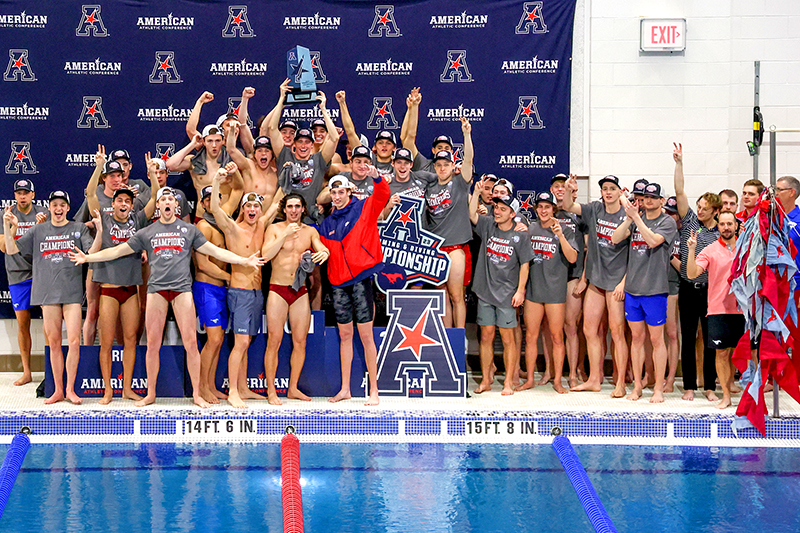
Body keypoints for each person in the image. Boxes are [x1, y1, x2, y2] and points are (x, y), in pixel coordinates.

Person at [69, 181, 266, 408]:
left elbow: (215, 251)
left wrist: (244, 260)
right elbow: (117, 250)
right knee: (153, 344)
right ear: (159, 206)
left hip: (182, 290)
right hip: (156, 291)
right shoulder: (147, 232)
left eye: (170, 199)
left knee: (191, 343)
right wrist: (88, 258)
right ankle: (151, 393)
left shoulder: (189, 230)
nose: (166, 202)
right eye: (162, 200)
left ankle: (196, 394)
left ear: (177, 206)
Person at [4, 191, 96, 404]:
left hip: (71, 294)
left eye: (62, 204)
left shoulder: (78, 228)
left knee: (74, 341)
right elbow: (11, 251)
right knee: (54, 343)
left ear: (67, 208)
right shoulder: (38, 230)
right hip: (47, 294)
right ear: (49, 207)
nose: (58, 208)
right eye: (54, 204)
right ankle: (58, 390)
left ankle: (71, 389)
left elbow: (92, 252)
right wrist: (10, 228)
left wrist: (99, 231)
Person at [88, 149, 158, 404]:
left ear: (131, 204)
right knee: (106, 342)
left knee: (130, 340)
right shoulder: (103, 218)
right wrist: (98, 169)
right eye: (120, 200)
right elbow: (89, 196)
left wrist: (152, 175)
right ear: (114, 202)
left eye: (128, 201)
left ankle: (126, 388)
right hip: (108, 289)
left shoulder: (138, 220)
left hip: (131, 289)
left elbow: (154, 200)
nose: (124, 204)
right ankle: (108, 390)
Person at [209, 170, 280, 408]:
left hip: (257, 293)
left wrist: (287, 177)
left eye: (256, 207)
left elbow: (276, 204)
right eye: (248, 206)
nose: (252, 210)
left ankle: (243, 387)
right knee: (240, 343)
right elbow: (217, 210)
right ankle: (233, 392)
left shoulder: (261, 226)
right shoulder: (232, 229)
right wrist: (217, 182)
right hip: (239, 293)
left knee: (246, 341)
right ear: (242, 209)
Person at [321, 173, 390, 406]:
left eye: (341, 192)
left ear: (349, 192)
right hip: (338, 284)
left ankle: (374, 390)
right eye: (334, 193)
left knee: (366, 335)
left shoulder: (363, 207)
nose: (338, 197)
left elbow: (384, 195)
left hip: (361, 281)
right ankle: (345, 389)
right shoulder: (327, 223)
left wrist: (377, 178)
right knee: (345, 336)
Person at [563, 174, 629, 397]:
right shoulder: (594, 210)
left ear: (620, 191)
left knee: (617, 332)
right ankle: (594, 379)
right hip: (596, 280)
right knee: (589, 329)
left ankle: (620, 381)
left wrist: (623, 282)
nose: (608, 192)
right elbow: (569, 206)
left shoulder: (626, 215)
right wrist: (570, 189)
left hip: (616, 282)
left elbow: (634, 253)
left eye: (612, 188)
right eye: (604, 189)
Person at [612, 183, 678, 402]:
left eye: (653, 197)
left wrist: (636, 219)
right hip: (633, 289)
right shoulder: (636, 218)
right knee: (637, 339)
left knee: (657, 339)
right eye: (645, 197)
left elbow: (652, 241)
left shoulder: (667, 222)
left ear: (661, 201)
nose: (648, 201)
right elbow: (615, 238)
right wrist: (630, 218)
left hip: (655, 290)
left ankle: (658, 387)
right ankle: (638, 385)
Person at [262, 193, 330, 405]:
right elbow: (265, 255)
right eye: (289, 206)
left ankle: (292, 388)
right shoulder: (274, 229)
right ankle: (272, 391)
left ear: (303, 209)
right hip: (277, 290)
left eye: (297, 206)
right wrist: (284, 236)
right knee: (274, 341)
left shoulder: (309, 231)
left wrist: (324, 253)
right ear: (284, 209)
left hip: (299, 291)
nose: (293, 210)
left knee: (300, 342)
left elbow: (321, 247)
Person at [467, 179, 531, 395]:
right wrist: (476, 193)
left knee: (507, 338)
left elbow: (525, 264)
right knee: (485, 336)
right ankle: (486, 380)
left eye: (503, 209)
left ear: (512, 214)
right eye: (496, 207)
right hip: (485, 291)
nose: (497, 212)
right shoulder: (487, 225)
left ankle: (508, 383)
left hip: (506, 294)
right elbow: (473, 216)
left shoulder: (520, 235)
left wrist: (520, 290)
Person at [672, 143, 720, 401]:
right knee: (688, 337)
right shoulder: (690, 221)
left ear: (715, 211)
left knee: (711, 340)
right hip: (689, 289)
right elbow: (679, 191)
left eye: (704, 208)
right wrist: (679, 164)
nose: (699, 210)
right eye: (698, 206)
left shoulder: (721, 232)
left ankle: (710, 387)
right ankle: (689, 385)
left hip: (711, 291)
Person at [519, 191, 578, 394]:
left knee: (556, 337)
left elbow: (572, 258)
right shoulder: (530, 229)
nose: (544, 210)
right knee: (532, 337)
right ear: (536, 209)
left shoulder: (566, 230)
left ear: (554, 209)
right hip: (534, 291)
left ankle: (558, 380)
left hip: (555, 292)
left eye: (548, 207)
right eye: (540, 207)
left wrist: (560, 235)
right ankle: (529, 379)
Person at [193, 168, 243, 404]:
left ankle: (210, 385)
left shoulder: (223, 221)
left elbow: (240, 189)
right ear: (203, 204)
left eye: (214, 198)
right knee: (213, 340)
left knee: (219, 340)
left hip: (220, 290)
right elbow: (202, 265)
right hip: (207, 289)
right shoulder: (203, 227)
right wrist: (227, 276)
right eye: (206, 199)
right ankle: (201, 387)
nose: (211, 203)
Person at [687, 210, 743, 409]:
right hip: (719, 310)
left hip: (743, 310)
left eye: (730, 224)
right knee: (721, 354)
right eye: (722, 224)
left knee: (746, 354)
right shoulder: (710, 249)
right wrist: (692, 250)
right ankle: (726, 395)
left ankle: (751, 396)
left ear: (736, 225)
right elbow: (693, 273)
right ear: (718, 226)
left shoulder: (746, 247)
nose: (726, 227)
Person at [423, 118, 474, 329]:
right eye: (439, 164)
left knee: (456, 295)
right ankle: (446, 336)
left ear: (453, 166)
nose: (443, 168)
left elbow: (469, 161)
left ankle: (459, 338)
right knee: (441, 296)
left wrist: (467, 135)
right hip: (435, 248)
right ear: (434, 166)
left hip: (455, 248)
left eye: (446, 164)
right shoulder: (428, 186)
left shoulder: (460, 183)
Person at [0, 179, 47, 386]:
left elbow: (49, 243)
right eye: (19, 192)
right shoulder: (7, 215)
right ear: (15, 195)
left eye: (26, 192)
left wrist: (41, 226)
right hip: (18, 274)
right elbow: (4, 247)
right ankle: (27, 372)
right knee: (23, 324)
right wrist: (10, 226)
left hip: (40, 272)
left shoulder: (42, 213)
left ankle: (51, 372)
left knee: (49, 323)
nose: (22, 196)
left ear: (33, 195)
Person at [550, 174, 590, 390]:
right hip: (550, 276)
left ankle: (574, 372)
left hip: (573, 275)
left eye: (563, 186)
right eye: (556, 186)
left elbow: (589, 249)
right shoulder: (546, 211)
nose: (559, 189)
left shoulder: (578, 215)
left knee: (571, 326)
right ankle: (550, 370)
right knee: (551, 328)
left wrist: (584, 278)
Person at [167, 121, 234, 217]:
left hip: (224, 216)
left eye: (218, 141)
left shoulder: (230, 162)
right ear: (203, 142)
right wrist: (192, 144)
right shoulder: (194, 162)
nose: (214, 145)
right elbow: (170, 165)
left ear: (223, 141)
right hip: (201, 216)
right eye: (210, 141)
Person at [337, 90, 395, 181]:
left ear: (394, 147)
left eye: (388, 143)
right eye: (380, 143)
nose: (384, 145)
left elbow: (409, 136)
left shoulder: (400, 162)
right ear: (375, 146)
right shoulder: (368, 158)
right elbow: (350, 132)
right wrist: (342, 103)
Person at [663, 196, 682, 393]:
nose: (668, 216)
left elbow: (685, 268)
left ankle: (670, 379)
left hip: (673, 285)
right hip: (653, 285)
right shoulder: (657, 229)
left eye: (672, 213)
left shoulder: (684, 235)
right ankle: (652, 375)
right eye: (666, 212)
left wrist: (668, 255)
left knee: (671, 333)